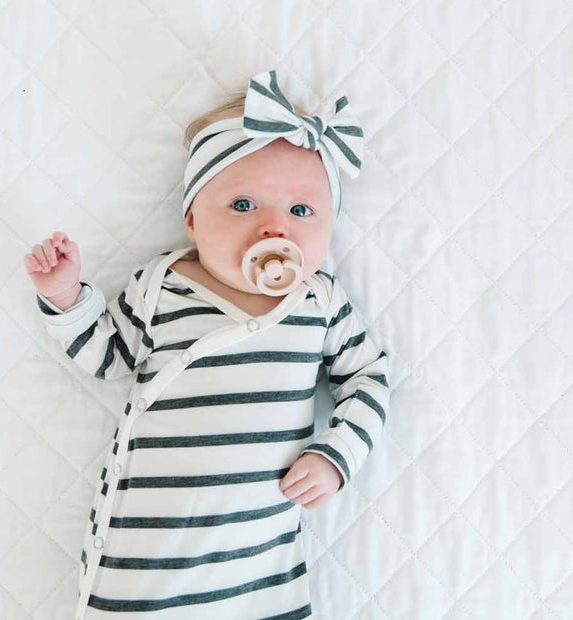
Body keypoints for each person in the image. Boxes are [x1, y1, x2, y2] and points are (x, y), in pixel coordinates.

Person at [23, 69, 390, 619]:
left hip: (257, 566)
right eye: (243, 205)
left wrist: (336, 456)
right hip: (144, 557)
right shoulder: (163, 284)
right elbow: (107, 356)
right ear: (193, 219)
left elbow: (369, 376)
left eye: (302, 211)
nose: (275, 229)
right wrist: (66, 298)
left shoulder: (317, 301)